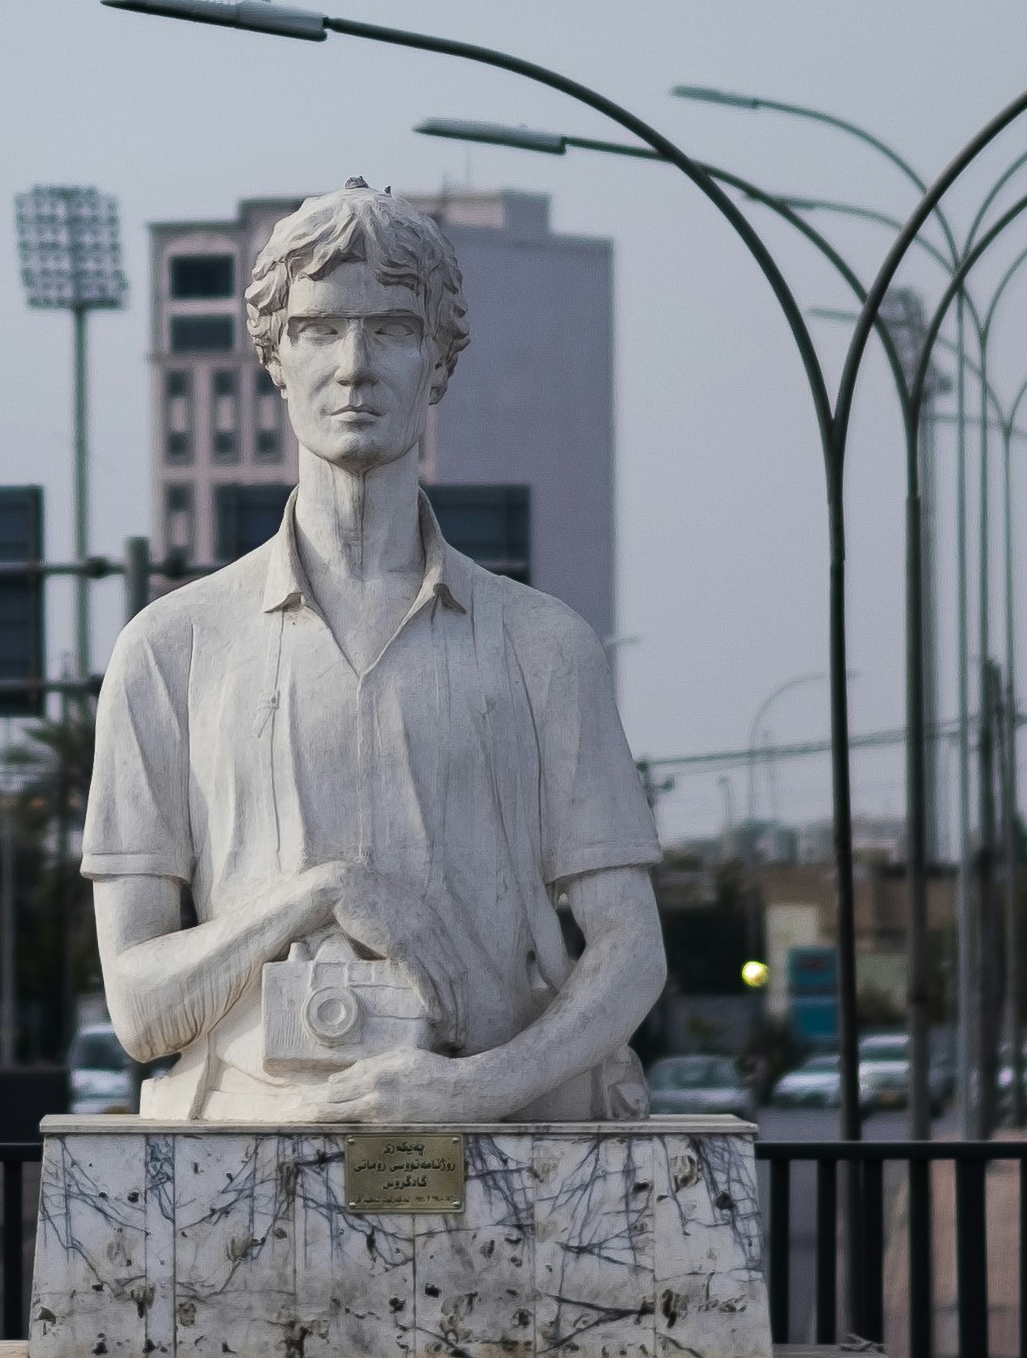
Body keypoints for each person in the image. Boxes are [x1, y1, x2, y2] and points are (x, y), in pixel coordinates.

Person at [80, 184, 664, 1124]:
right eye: (318, 330)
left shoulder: (543, 646)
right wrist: (322, 895)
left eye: (390, 329)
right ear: (273, 358)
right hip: (242, 1146)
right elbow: (140, 1006)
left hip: (507, 1144)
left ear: (439, 361)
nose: (353, 366)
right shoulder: (171, 649)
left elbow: (632, 948)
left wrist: (474, 1089)